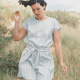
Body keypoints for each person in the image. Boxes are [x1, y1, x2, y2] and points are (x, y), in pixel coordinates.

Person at [13, 0, 67, 80]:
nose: (36, 12)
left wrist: (61, 61)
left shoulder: (53, 22)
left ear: (44, 6)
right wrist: (17, 22)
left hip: (45, 58)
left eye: (38, 9)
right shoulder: (29, 22)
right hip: (28, 57)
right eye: (33, 10)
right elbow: (16, 38)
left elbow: (57, 43)